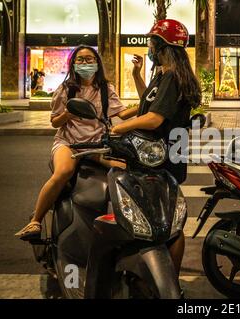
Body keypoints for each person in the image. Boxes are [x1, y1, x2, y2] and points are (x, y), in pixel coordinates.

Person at [15, 45, 136, 240]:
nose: (85, 63)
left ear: (97, 63)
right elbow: (55, 122)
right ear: (73, 64)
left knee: (126, 169)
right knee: (63, 172)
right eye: (80, 59)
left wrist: (145, 107)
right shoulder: (65, 90)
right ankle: (35, 220)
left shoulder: (106, 89)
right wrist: (67, 114)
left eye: (90, 59)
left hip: (96, 146)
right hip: (69, 144)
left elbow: (121, 113)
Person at [110, 19, 201, 277]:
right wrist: (137, 76)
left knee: (168, 223)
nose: (149, 47)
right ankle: (162, 278)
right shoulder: (165, 74)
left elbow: (154, 118)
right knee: (162, 217)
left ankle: (169, 281)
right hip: (160, 155)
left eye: (152, 42)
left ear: (163, 45)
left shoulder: (172, 77)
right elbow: (147, 104)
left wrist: (119, 129)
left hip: (163, 157)